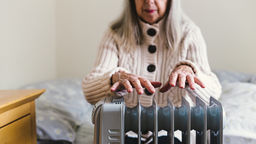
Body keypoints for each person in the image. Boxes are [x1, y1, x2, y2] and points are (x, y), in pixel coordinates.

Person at [82, 0, 222, 143]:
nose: (149, 1)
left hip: (175, 135)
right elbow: (89, 90)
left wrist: (190, 71)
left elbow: (213, 92)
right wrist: (113, 79)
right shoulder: (114, 35)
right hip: (123, 135)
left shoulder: (190, 34)